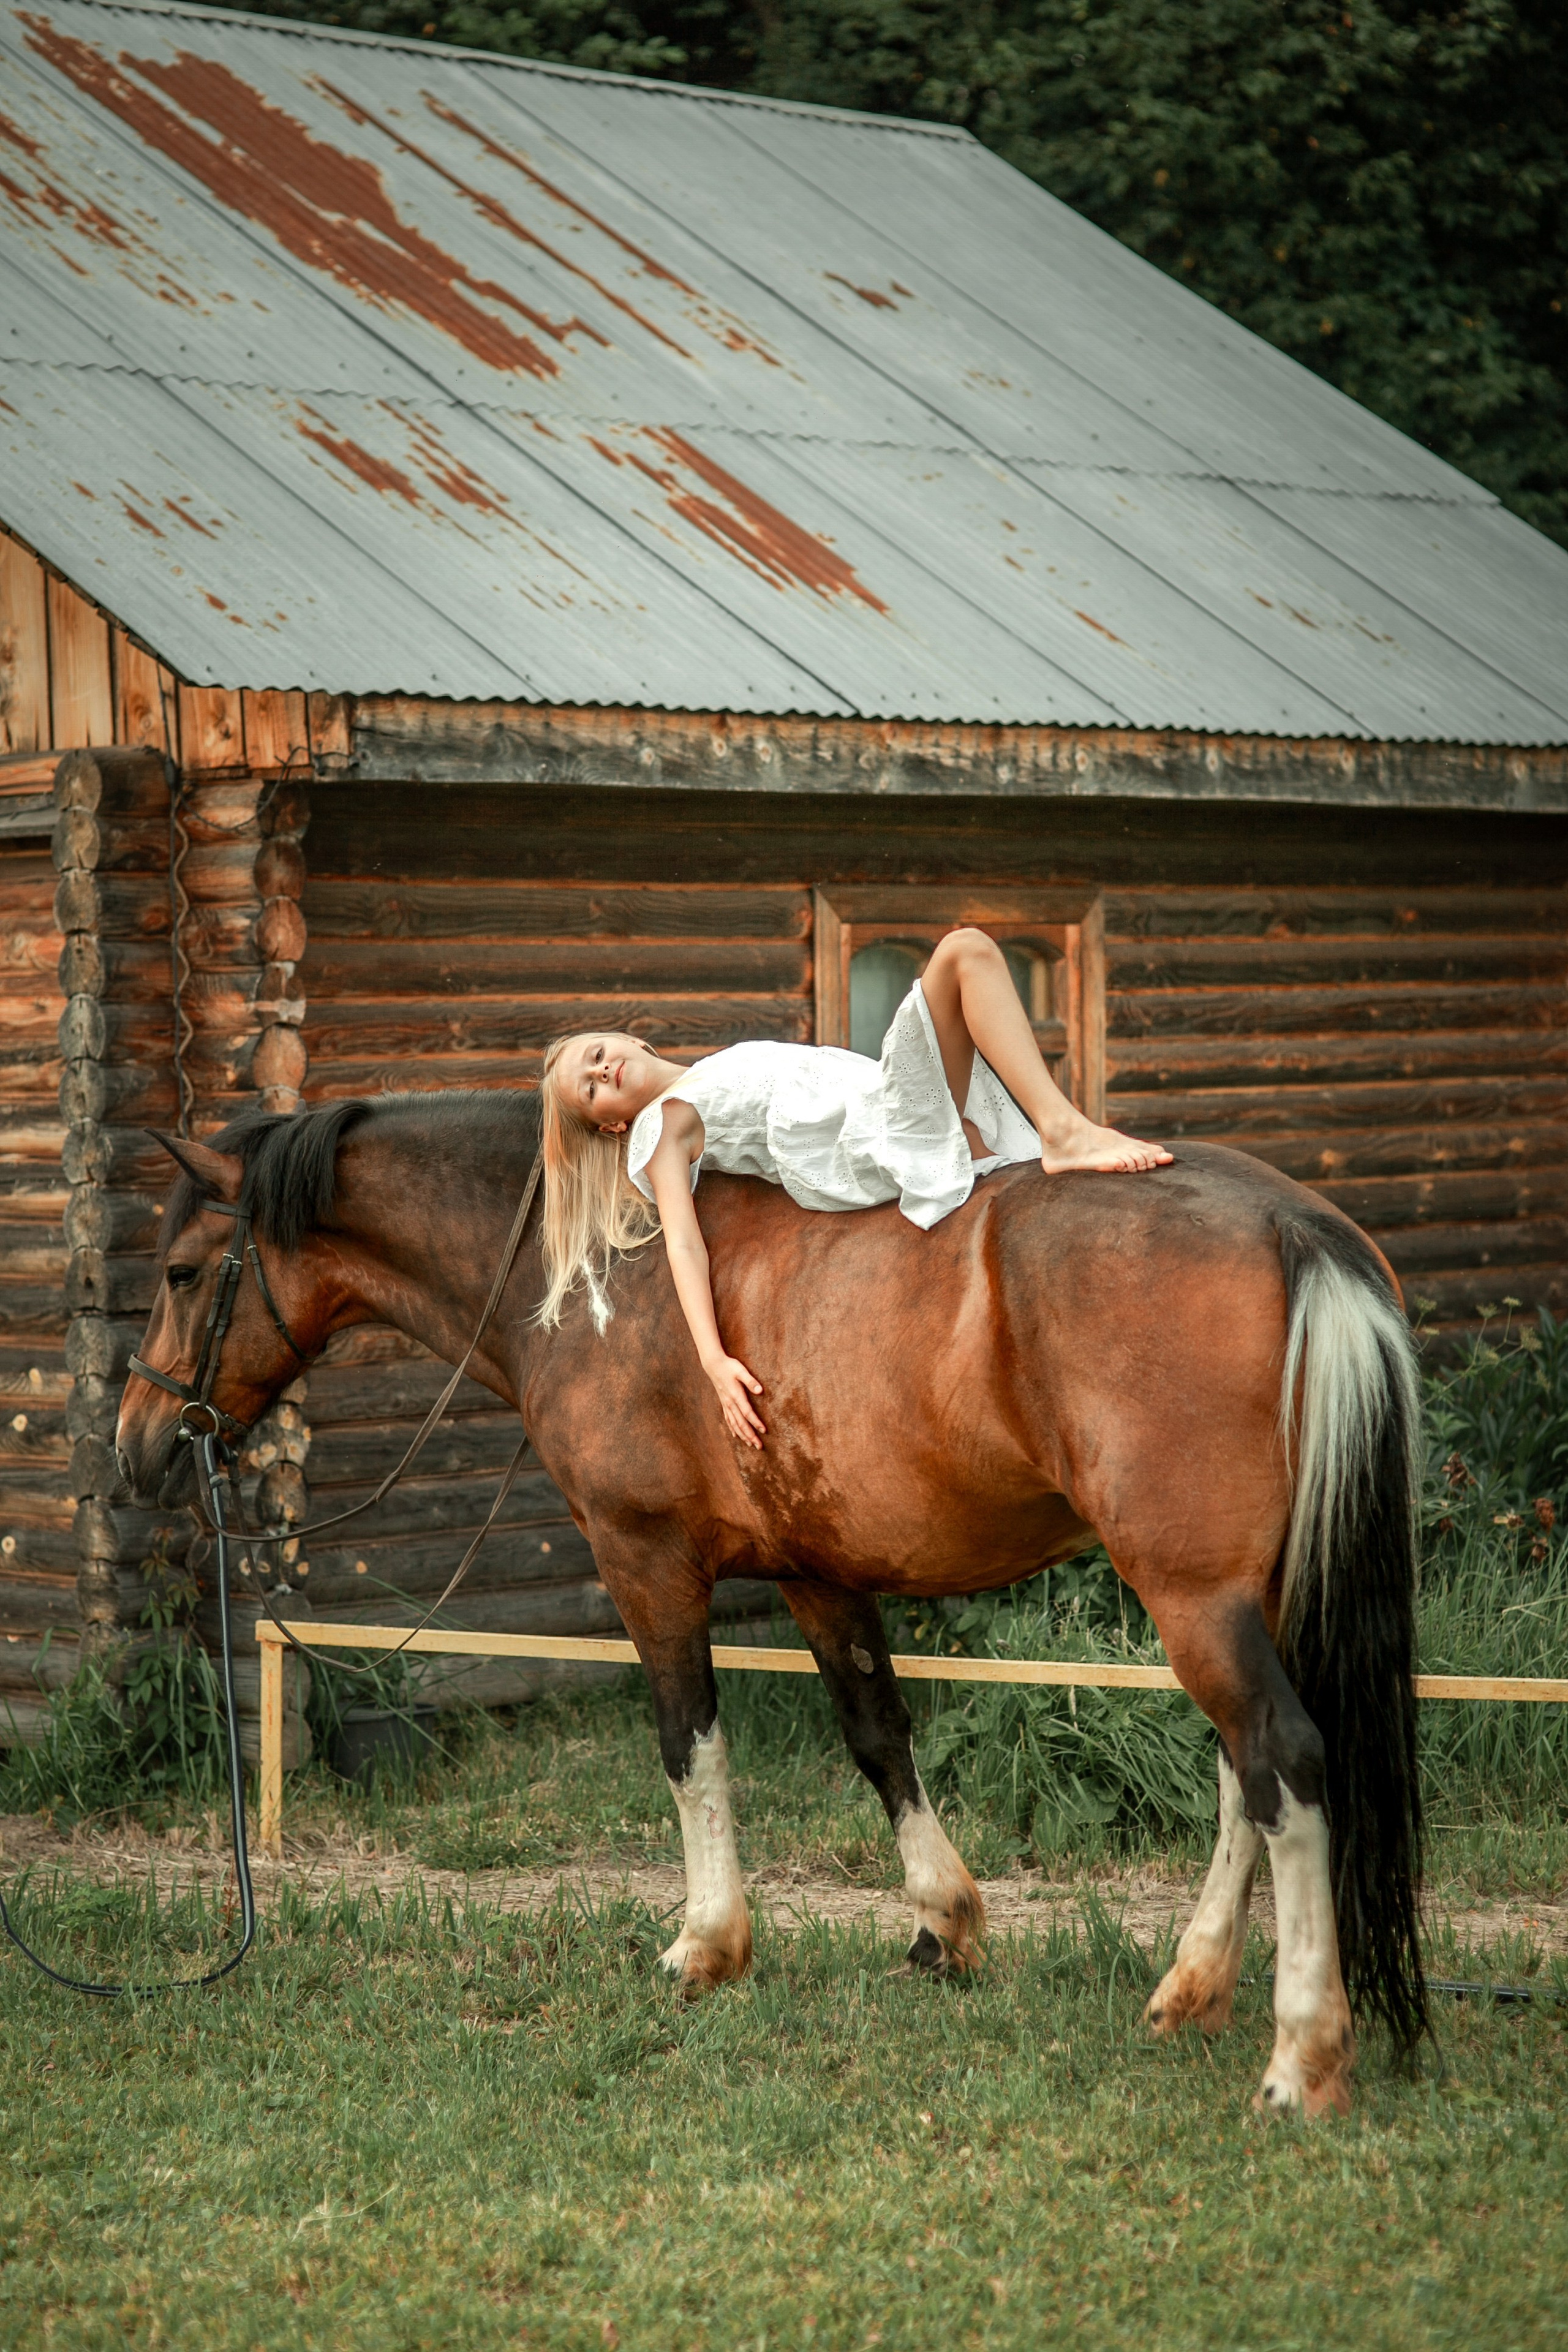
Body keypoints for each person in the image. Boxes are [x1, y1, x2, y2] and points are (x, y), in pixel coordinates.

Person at [538, 927, 1172, 1447]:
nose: (601, 1070)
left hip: (876, 1101)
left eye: (596, 1054)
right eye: (589, 1089)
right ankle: (1063, 1129)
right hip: (870, 1135)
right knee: (962, 951)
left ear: (626, 1038)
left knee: (972, 949)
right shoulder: (659, 1126)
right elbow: (683, 1243)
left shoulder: (709, 1071)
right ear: (611, 1122)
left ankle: (1056, 1129)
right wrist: (713, 1359)